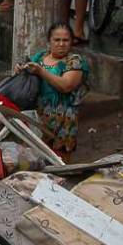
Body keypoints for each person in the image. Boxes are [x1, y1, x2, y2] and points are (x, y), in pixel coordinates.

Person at [22, 21, 89, 159]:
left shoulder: (75, 61)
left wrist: (41, 71)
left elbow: (66, 85)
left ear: (71, 42)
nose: (61, 44)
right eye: (57, 40)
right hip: (38, 115)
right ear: (49, 41)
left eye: (66, 40)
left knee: (59, 160)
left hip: (63, 119)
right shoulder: (40, 57)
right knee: (34, 157)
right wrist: (22, 70)